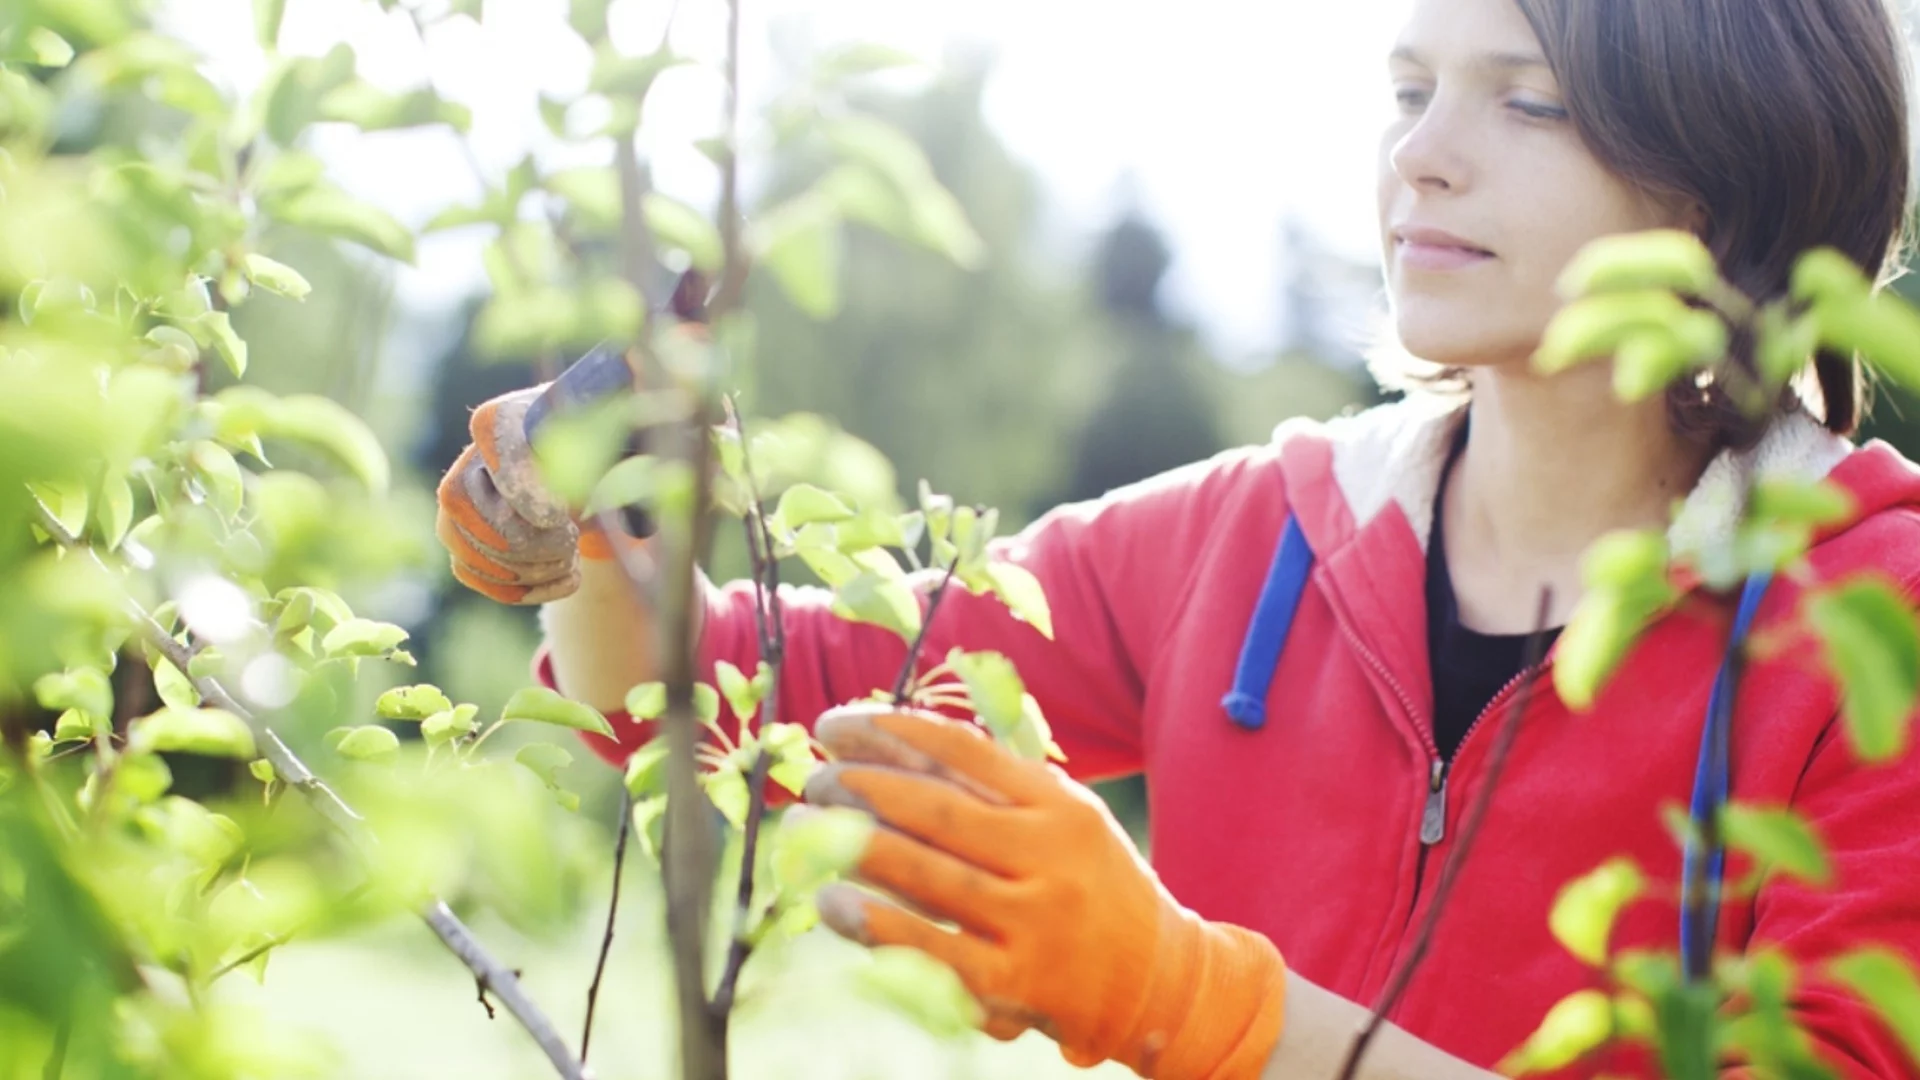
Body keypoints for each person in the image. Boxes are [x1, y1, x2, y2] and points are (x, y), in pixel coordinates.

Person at [434, 0, 1920, 1074]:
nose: (1423, 157)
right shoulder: (1258, 536)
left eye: (1525, 100)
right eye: (1409, 92)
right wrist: (581, 527)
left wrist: (1195, 998)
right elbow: (745, 696)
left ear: (1730, 170)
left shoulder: (1876, 621)